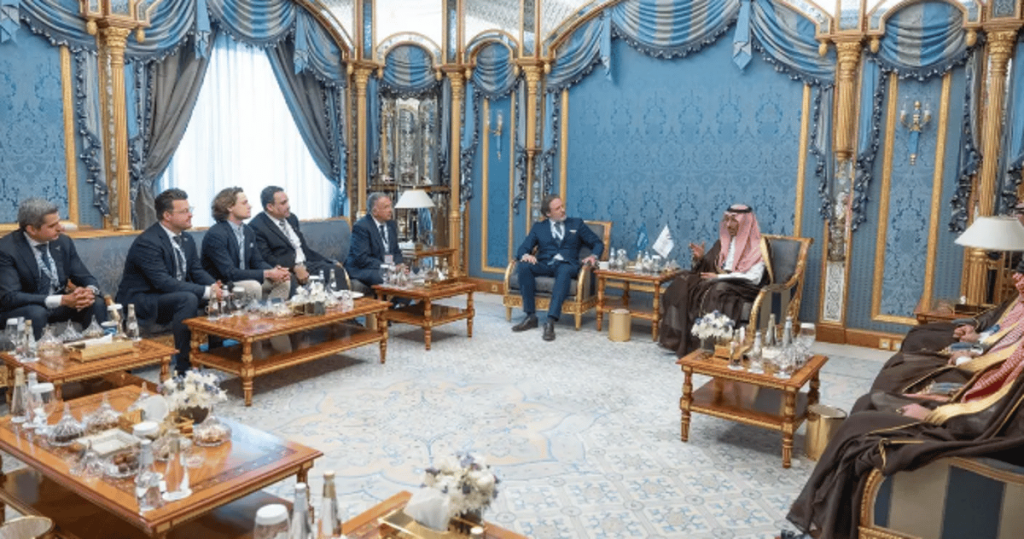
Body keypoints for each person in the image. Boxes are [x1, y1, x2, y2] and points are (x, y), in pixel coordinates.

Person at [787, 336, 1024, 539]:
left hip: (974, 441)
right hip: (972, 424)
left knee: (858, 429)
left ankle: (826, 527)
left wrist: (935, 416)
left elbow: (1002, 426)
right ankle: (822, 524)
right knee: (865, 408)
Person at [867, 264, 1024, 396]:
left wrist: (966, 356)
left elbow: (1002, 371)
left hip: (979, 375)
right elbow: (996, 322)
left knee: (898, 373)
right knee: (916, 336)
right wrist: (975, 332)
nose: (1016, 278)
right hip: (981, 351)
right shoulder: (1018, 298)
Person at [116, 189, 220, 375]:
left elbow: (196, 271)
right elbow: (163, 282)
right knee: (188, 299)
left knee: (216, 297)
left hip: (170, 294)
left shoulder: (186, 238)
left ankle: (217, 357)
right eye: (184, 211)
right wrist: (206, 291)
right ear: (167, 216)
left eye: (190, 209)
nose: (190, 215)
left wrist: (217, 288)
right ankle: (184, 367)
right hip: (144, 299)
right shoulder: (148, 242)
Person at [658, 204, 767, 356]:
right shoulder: (723, 242)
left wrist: (720, 277)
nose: (728, 225)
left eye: (733, 221)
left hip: (742, 286)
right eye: (726, 220)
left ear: (746, 222)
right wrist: (700, 259)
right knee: (682, 280)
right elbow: (708, 267)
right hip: (717, 281)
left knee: (718, 290)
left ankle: (709, 345)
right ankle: (677, 340)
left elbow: (754, 278)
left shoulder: (758, 246)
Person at [0, 198, 106, 338]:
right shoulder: (6, 250)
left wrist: (88, 291)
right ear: (31, 229)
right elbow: (11, 297)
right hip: (24, 309)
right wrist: (62, 300)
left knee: (95, 303)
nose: (60, 228)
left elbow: (85, 276)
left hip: (58, 305)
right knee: (37, 313)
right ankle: (36, 352)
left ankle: (99, 348)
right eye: (52, 226)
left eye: (58, 222)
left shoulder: (63, 242)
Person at [511, 195, 603, 342]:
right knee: (523, 266)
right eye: (558, 208)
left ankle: (550, 321)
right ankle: (530, 316)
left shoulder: (576, 224)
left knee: (564, 271)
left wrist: (593, 256)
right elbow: (523, 248)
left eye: (562, 206)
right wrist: (526, 255)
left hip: (567, 264)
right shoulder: (539, 227)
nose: (563, 210)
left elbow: (597, 243)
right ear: (548, 213)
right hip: (545, 264)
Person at [201, 187, 292, 303]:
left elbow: (257, 262)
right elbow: (229, 273)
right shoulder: (216, 234)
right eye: (244, 203)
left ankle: (273, 312)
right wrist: (268, 273)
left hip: (246, 280)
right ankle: (252, 314)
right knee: (253, 286)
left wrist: (276, 271)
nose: (249, 206)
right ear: (230, 207)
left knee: (283, 281)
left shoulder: (248, 231)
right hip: (224, 285)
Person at [249, 186, 342, 286]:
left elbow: (304, 250)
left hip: (305, 264)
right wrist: (294, 268)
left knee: (335, 270)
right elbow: (267, 259)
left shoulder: (291, 218)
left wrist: (330, 261)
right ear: (270, 207)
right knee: (290, 280)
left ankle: (341, 297)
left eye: (287, 201)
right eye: (283, 203)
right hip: (285, 270)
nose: (288, 206)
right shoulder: (256, 227)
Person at [345, 192, 404, 287]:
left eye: (390, 206)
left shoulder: (391, 225)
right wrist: (388, 267)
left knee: (407, 275)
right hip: (363, 269)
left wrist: (399, 265)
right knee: (387, 277)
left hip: (385, 267)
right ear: (375, 211)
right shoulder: (361, 227)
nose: (390, 210)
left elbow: (396, 251)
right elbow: (362, 259)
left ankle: (399, 297)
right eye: (386, 207)